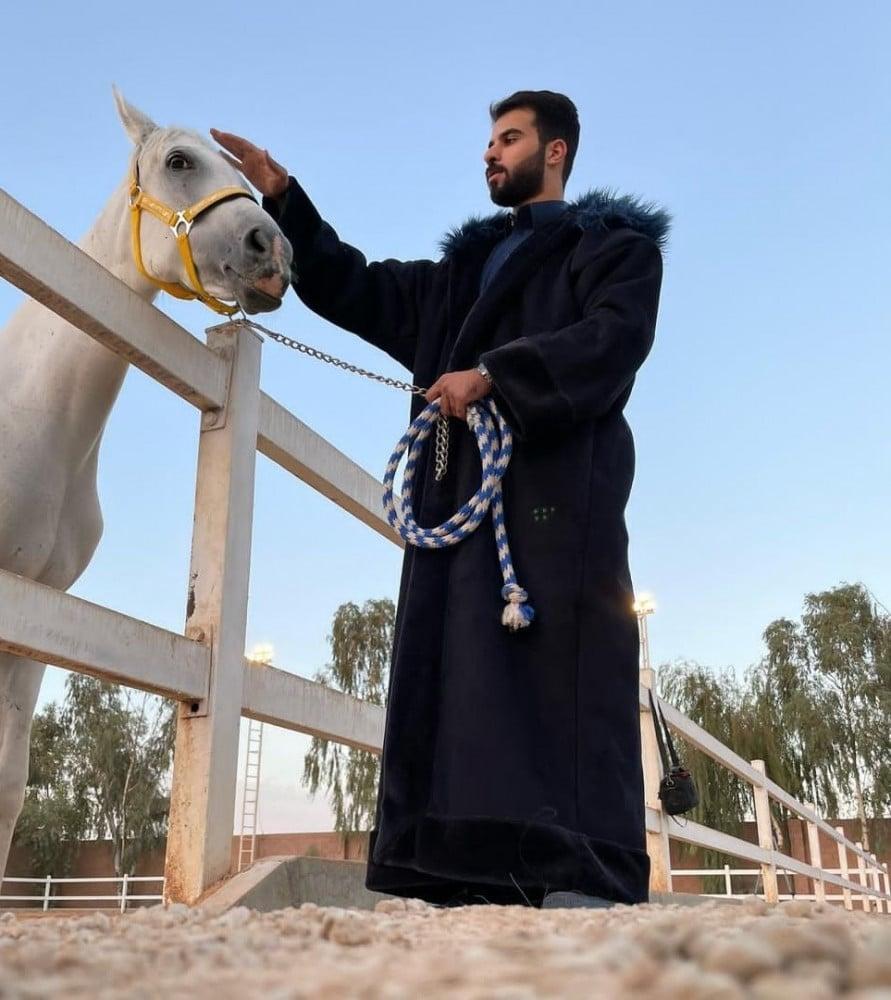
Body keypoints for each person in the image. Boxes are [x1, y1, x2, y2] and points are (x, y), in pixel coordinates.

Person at [211, 90, 668, 909]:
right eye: (489, 140)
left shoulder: (614, 249)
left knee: (555, 676)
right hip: (455, 498)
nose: (490, 152)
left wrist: (494, 374)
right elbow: (356, 287)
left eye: (509, 138)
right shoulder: (456, 276)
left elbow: (613, 338)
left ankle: (576, 870)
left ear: (555, 151)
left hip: (556, 503)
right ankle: (459, 869)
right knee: (459, 681)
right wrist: (284, 198)